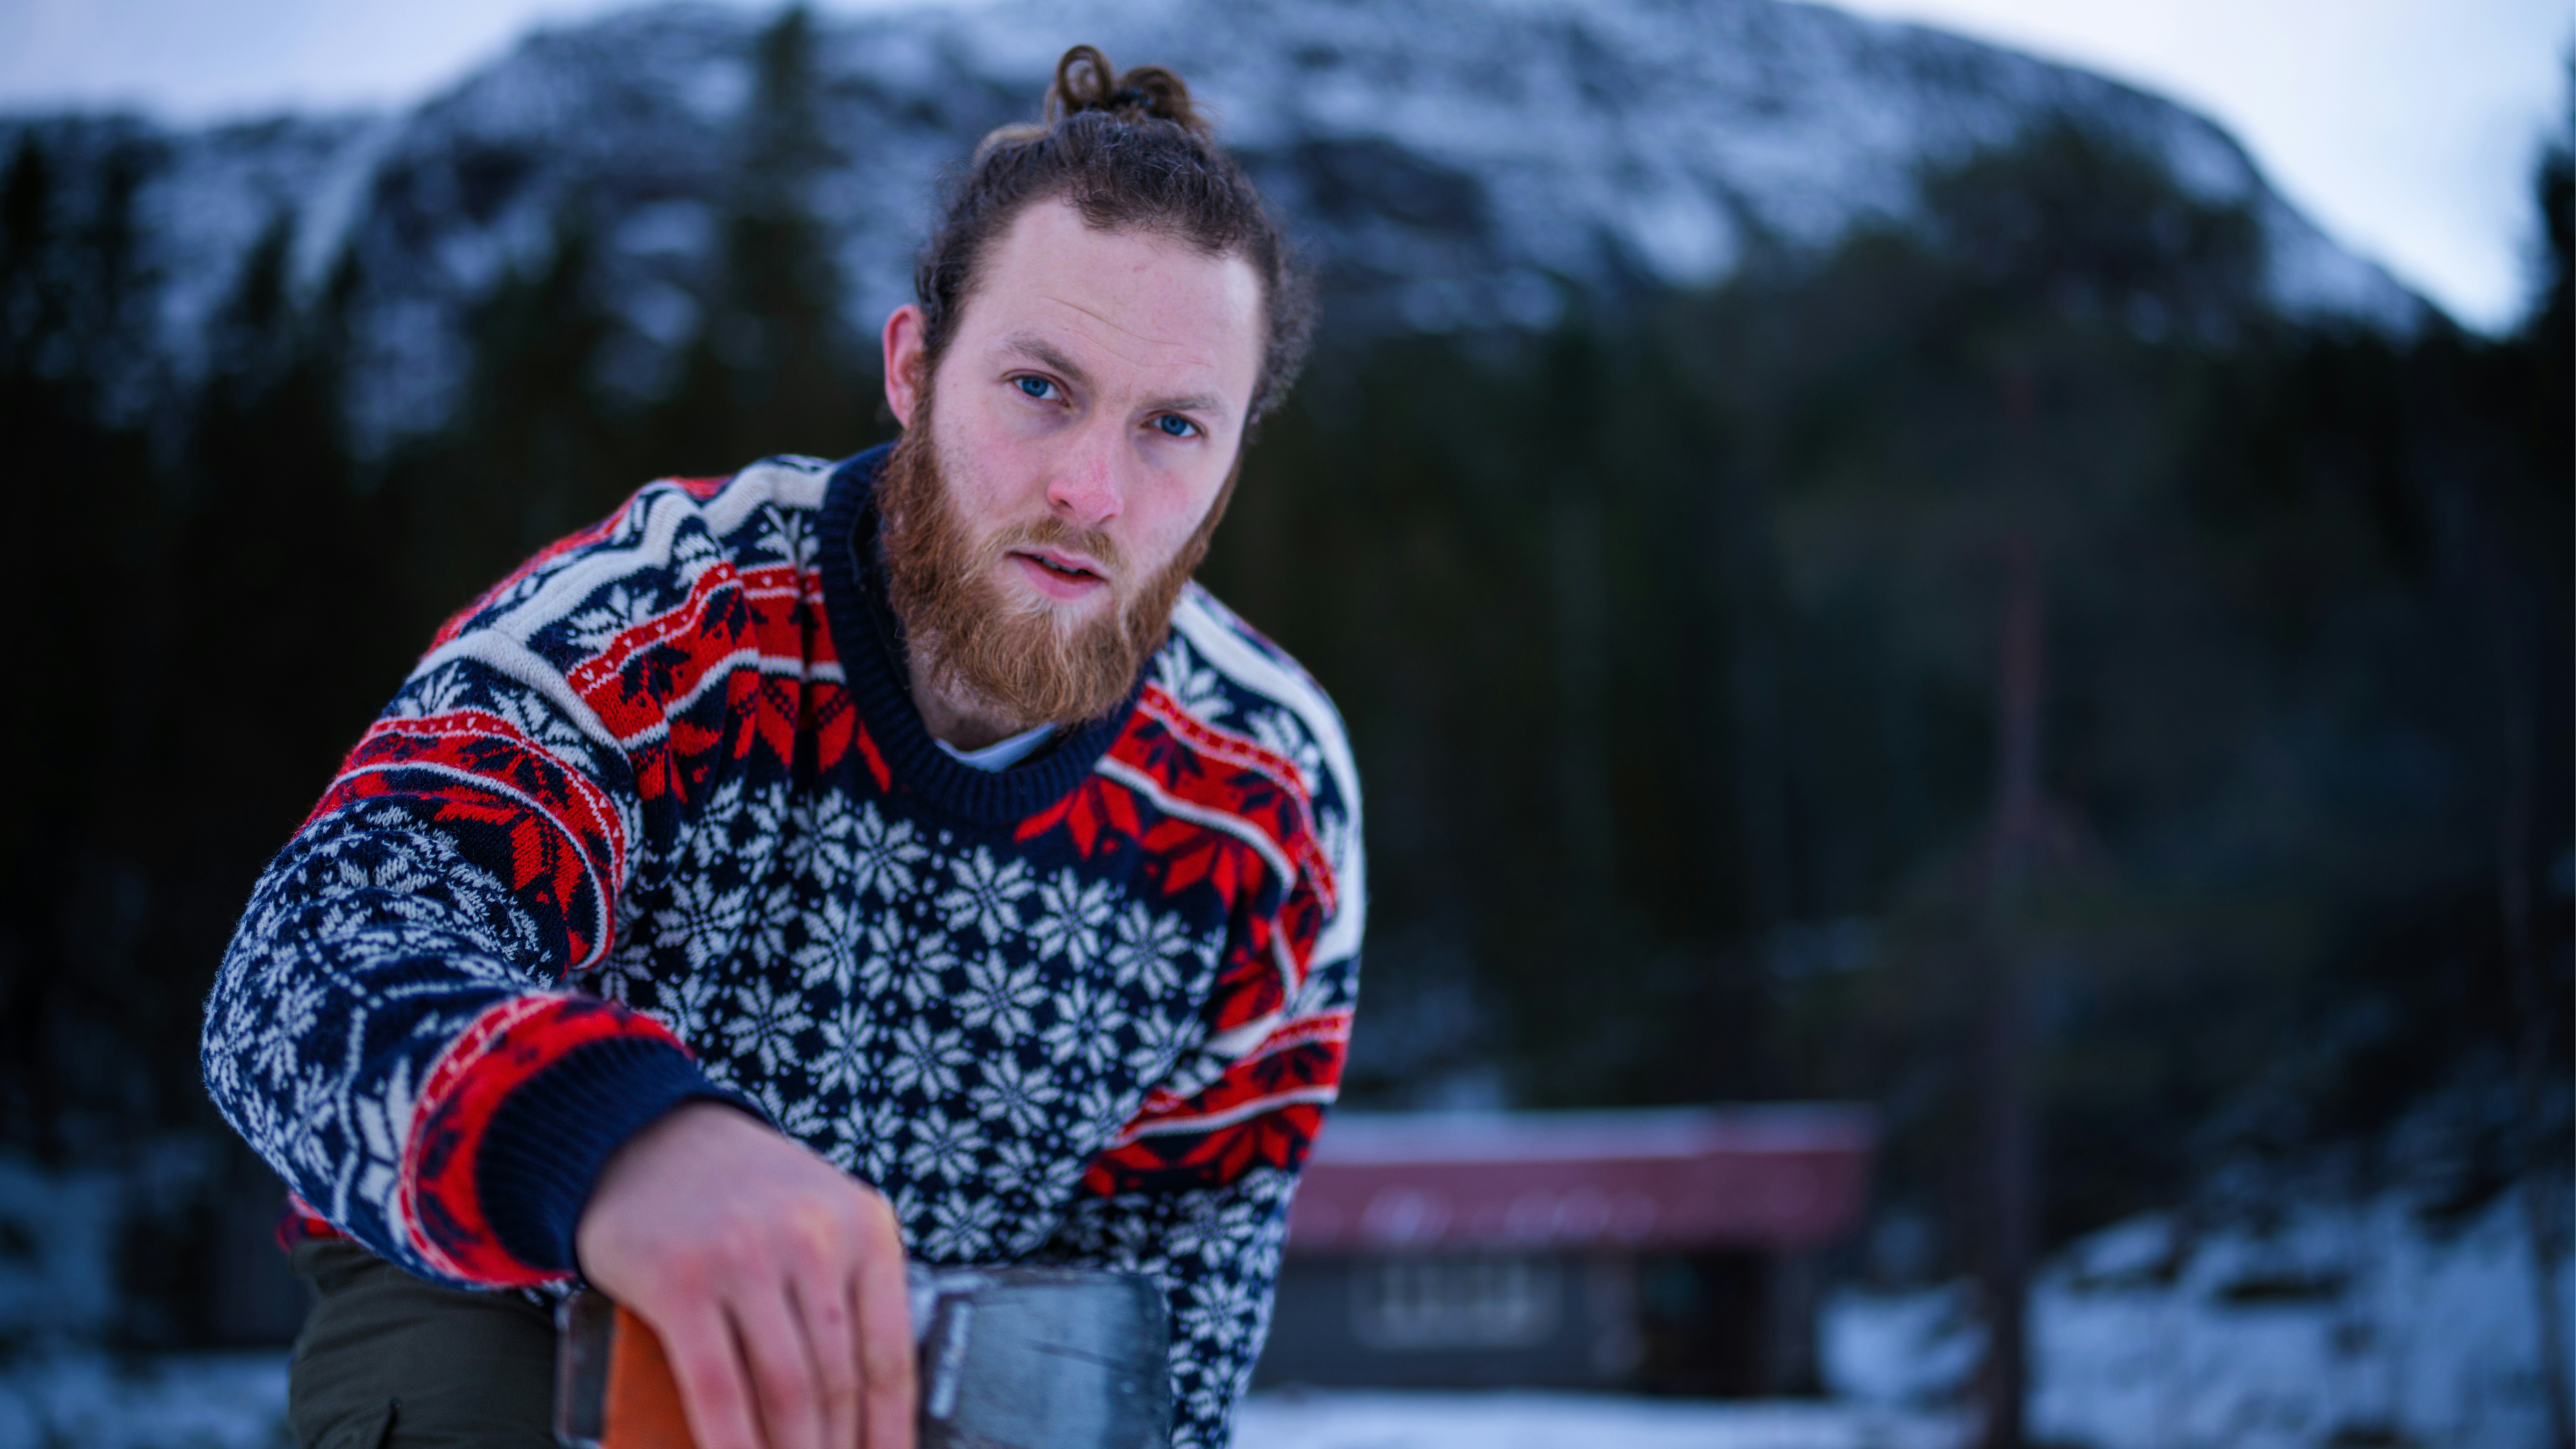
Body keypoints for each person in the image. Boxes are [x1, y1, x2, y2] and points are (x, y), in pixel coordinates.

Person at [200, 45, 1361, 1449]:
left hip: (943, 1353)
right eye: (1040, 388)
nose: (1090, 490)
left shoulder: (1266, 795)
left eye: (1173, 426)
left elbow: (1175, 1309)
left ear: (1229, 466)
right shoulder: (662, 622)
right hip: (519, 1283)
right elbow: (299, 967)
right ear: (914, 368)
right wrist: (618, 1143)